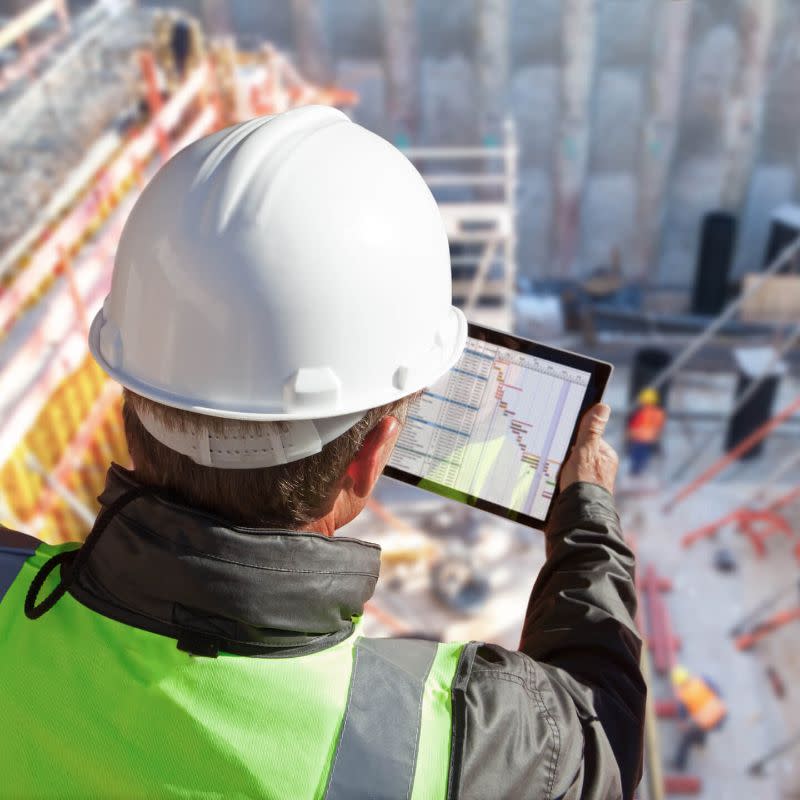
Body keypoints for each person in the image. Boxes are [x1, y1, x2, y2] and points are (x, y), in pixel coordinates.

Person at [0, 106, 645, 799]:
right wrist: (585, 521)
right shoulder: (461, 741)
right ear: (369, 459)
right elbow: (600, 729)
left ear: (132, 395)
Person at [670, 665, 727, 771]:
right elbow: (717, 690)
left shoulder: (683, 695)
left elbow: (683, 715)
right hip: (720, 714)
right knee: (701, 727)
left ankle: (679, 764)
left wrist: (683, 725)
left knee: (686, 739)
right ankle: (701, 742)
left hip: (705, 720)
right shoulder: (702, 680)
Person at [627, 387, 666, 476]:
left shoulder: (642, 412)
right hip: (649, 439)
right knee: (643, 458)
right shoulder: (659, 413)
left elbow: (635, 424)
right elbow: (659, 427)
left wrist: (629, 433)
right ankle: (639, 473)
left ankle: (635, 474)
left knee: (637, 458)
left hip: (639, 438)